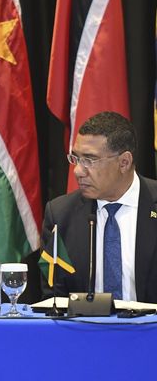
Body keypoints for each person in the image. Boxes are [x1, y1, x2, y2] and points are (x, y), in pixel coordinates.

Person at [41, 111, 157, 302]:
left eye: (89, 160)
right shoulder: (60, 215)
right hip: (84, 329)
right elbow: (53, 297)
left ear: (124, 162)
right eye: (76, 159)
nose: (78, 171)